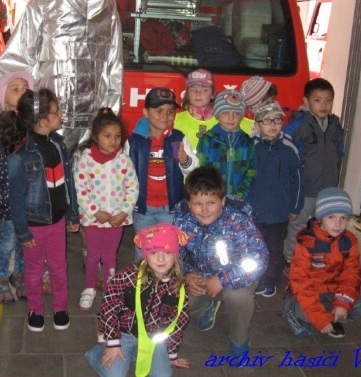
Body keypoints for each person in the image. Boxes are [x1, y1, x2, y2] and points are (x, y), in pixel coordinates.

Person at [0, 0, 123, 157]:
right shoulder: (45, 2)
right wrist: (1, 120)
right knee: (48, 172)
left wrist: (110, 115)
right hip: (47, 119)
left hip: (92, 120)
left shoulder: (108, 7)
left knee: (85, 174)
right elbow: (16, 61)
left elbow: (114, 66)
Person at [173, 166, 268, 356]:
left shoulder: (238, 220)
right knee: (173, 295)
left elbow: (258, 259)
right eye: (197, 204)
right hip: (200, 276)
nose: (205, 210)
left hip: (237, 277)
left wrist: (223, 280)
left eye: (211, 202)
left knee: (238, 298)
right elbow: (173, 255)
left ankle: (239, 339)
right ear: (189, 203)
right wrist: (185, 277)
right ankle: (206, 307)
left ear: (222, 201)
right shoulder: (181, 220)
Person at [7, 89, 80, 332]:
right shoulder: (19, 158)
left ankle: (60, 308)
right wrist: (22, 233)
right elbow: (16, 200)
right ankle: (35, 310)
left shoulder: (58, 143)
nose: (61, 115)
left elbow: (67, 182)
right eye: (55, 111)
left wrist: (72, 213)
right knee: (34, 270)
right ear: (41, 121)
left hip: (57, 221)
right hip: (34, 226)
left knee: (59, 267)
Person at [85, 224, 190, 376]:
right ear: (145, 255)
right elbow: (108, 307)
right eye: (153, 252)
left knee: (163, 375)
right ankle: (96, 354)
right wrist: (113, 343)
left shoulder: (178, 286)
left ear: (175, 254)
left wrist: (172, 354)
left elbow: (178, 323)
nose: (161, 258)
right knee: (114, 374)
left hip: (153, 337)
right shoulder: (127, 276)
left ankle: (135, 353)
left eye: (167, 252)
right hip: (124, 333)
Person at [73, 108, 139, 310]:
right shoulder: (86, 160)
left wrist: (123, 213)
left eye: (117, 136)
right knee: (93, 255)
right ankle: (89, 287)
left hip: (116, 220)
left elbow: (133, 187)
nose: (113, 141)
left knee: (110, 256)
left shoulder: (124, 160)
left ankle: (111, 289)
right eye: (107, 136)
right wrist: (95, 212)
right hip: (93, 219)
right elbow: (80, 189)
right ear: (95, 137)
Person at [282, 187, 361, 338]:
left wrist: (342, 303)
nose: (338, 224)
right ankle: (294, 308)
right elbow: (300, 281)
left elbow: (352, 275)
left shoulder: (349, 241)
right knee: (304, 330)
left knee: (359, 306)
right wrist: (319, 318)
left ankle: (329, 316)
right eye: (331, 217)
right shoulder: (307, 243)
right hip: (307, 292)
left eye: (343, 218)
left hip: (332, 291)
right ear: (320, 218)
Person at [124, 87, 198, 260]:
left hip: (170, 207)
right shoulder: (133, 142)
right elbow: (124, 174)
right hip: (142, 208)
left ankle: (169, 277)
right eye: (159, 111)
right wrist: (125, 203)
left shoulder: (178, 138)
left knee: (169, 246)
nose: (165, 116)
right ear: (146, 112)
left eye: (170, 112)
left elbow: (193, 169)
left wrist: (185, 159)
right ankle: (142, 276)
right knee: (143, 246)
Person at [0, 71, 33, 303]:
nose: (21, 92)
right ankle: (0, 277)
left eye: (25, 89)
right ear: (3, 95)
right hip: (8, 197)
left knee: (26, 241)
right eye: (15, 89)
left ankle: (19, 275)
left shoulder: (34, 125)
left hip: (30, 197)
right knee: (7, 242)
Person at [282, 78, 344, 265]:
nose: (324, 105)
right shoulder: (298, 125)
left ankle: (317, 258)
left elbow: (339, 153)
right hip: (304, 189)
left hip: (327, 189)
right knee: (297, 225)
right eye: (317, 100)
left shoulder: (335, 125)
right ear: (306, 101)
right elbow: (286, 154)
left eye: (328, 100)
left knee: (323, 226)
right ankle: (291, 259)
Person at [246, 100, 303, 298]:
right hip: (255, 211)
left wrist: (295, 207)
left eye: (277, 120)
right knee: (254, 248)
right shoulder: (250, 145)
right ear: (257, 123)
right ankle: (257, 278)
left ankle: (271, 279)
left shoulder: (289, 148)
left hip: (279, 212)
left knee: (275, 249)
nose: (272, 125)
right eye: (266, 120)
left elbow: (297, 180)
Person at [196, 89, 256, 199]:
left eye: (236, 113)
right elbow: (201, 171)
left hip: (238, 200)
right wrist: (214, 196)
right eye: (225, 113)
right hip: (213, 199)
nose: (231, 118)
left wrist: (240, 195)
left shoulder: (247, 142)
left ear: (242, 116)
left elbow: (251, 172)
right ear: (217, 115)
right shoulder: (207, 140)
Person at [174, 68, 218, 151]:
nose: (198, 93)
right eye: (193, 89)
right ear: (187, 94)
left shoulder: (224, 121)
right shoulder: (175, 120)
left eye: (204, 90)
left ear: (212, 94)